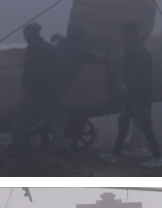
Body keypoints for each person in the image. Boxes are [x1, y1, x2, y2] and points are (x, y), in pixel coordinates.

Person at [102, 21, 162, 168]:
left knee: (144, 124)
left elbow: (139, 70)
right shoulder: (136, 46)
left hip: (137, 92)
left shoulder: (134, 47)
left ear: (129, 33)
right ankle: (115, 154)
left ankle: (158, 157)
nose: (120, 35)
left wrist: (129, 82)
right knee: (123, 120)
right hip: (134, 91)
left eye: (122, 32)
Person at [10, 23, 66, 151]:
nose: (24, 38)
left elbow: (31, 70)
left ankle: (17, 147)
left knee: (20, 116)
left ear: (28, 36)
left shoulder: (33, 47)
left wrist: (26, 87)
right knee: (50, 118)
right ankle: (63, 145)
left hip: (35, 90)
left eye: (25, 35)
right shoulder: (47, 46)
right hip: (49, 89)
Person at [51, 23, 108, 146]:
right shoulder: (79, 48)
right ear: (79, 36)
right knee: (57, 115)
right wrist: (110, 58)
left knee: (52, 112)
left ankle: (50, 140)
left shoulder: (61, 44)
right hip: (59, 85)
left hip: (50, 82)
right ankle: (61, 143)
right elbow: (96, 60)